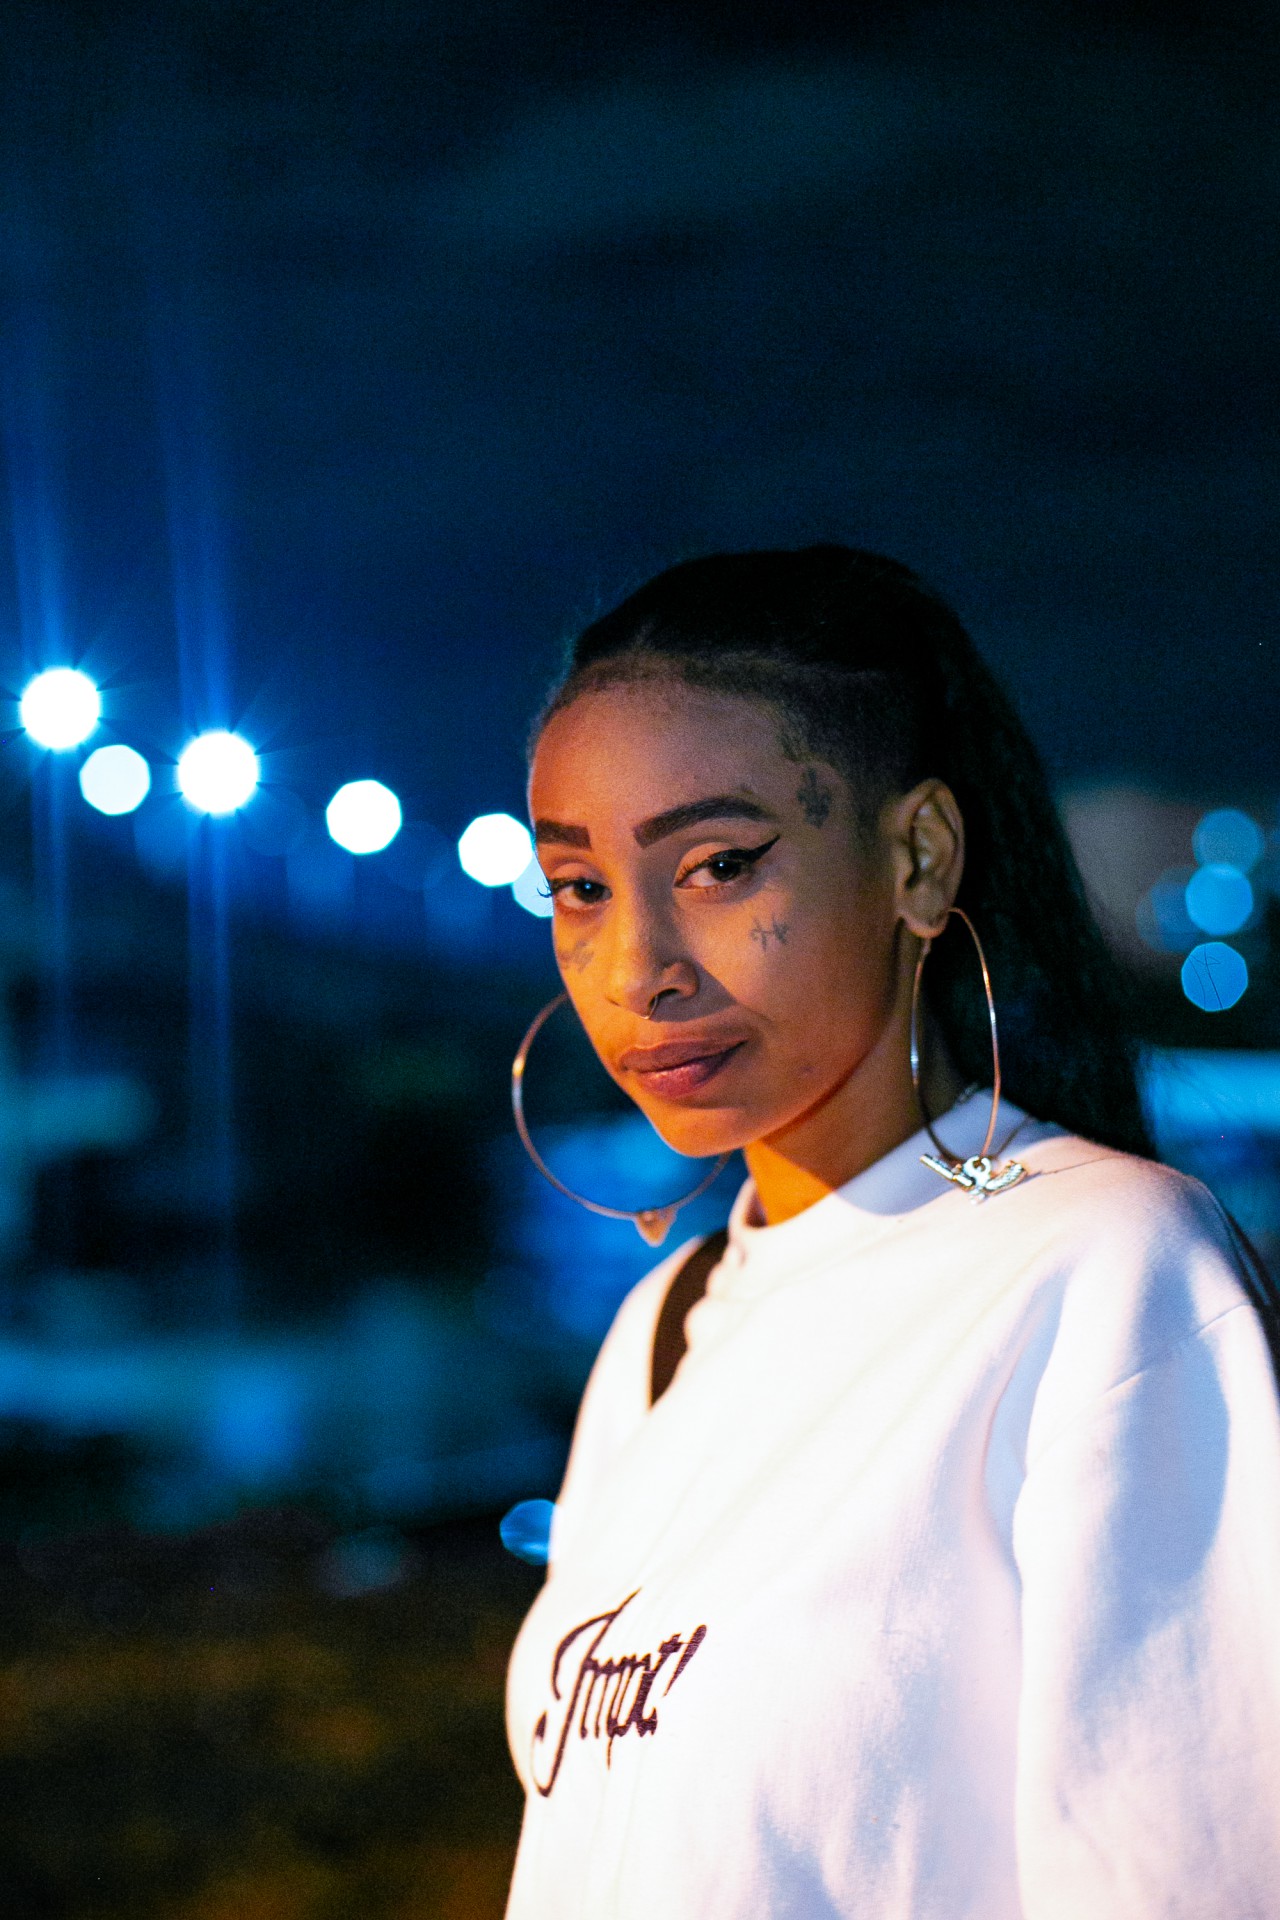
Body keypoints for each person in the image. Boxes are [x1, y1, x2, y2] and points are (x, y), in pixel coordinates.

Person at [501, 546, 1280, 1919]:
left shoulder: (1107, 1269)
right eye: (581, 887)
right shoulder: (664, 1329)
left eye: (719, 865)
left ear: (917, 858)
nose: (638, 970)